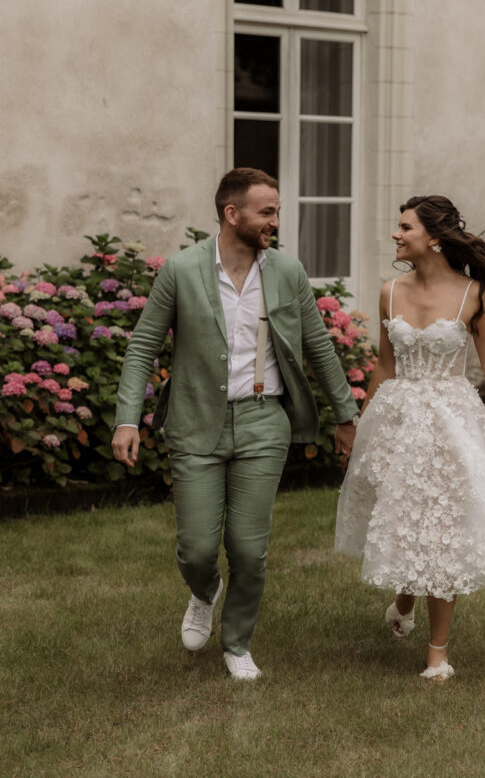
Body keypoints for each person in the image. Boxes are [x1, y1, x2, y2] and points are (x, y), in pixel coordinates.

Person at [113, 168, 359, 680]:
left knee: (249, 549)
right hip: (195, 422)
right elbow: (142, 346)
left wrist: (346, 414)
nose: (274, 220)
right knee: (198, 548)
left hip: (263, 421)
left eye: (276, 211)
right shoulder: (182, 270)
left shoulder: (287, 272)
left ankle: (237, 643)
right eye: (266, 211)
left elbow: (317, 344)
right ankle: (204, 592)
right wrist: (127, 419)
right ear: (232, 214)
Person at [335, 195, 485, 682]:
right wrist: (362, 424)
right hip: (398, 418)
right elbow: (386, 365)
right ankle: (404, 599)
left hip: (453, 422)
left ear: (432, 237)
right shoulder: (390, 291)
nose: (395, 234)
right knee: (407, 518)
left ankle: (437, 654)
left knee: (444, 529)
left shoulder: (473, 294)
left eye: (404, 226)